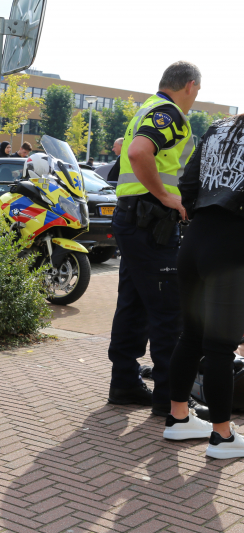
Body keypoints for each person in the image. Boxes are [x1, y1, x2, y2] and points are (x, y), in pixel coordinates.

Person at [106, 61, 210, 420]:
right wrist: (166, 197)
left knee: (132, 304)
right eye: (197, 91)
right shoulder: (170, 113)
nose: (196, 98)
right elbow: (137, 153)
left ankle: (124, 384)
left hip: (133, 220)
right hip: (152, 222)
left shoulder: (147, 109)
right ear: (190, 85)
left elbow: (125, 149)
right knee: (169, 312)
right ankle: (170, 398)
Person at [164, 115, 244, 457]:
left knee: (191, 337)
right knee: (220, 349)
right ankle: (222, 437)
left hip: (195, 241)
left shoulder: (218, 128)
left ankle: (179, 418)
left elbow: (188, 183)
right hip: (230, 246)